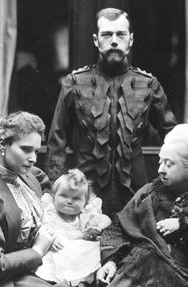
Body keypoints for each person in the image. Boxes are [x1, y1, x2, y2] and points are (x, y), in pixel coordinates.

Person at [46, 7, 177, 219]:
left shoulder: (149, 85)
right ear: (96, 40)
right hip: (84, 195)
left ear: (131, 39)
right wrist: (54, 189)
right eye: (107, 34)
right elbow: (56, 142)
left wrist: (174, 186)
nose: (114, 41)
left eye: (120, 34)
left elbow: (174, 139)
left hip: (136, 195)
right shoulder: (74, 83)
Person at [96, 124, 188, 287]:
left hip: (187, 275)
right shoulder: (149, 192)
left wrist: (187, 223)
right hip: (137, 271)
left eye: (169, 164)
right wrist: (111, 262)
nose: (160, 170)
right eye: (160, 162)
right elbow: (120, 228)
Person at [0, 111, 68, 287]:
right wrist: (38, 250)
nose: (33, 159)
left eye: (36, 150)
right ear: (3, 144)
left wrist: (45, 231)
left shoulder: (31, 177)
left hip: (33, 269)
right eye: (26, 150)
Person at [36, 169, 111, 286]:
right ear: (54, 196)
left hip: (78, 255)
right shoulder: (50, 211)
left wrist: (98, 227)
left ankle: (80, 281)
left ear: (85, 202)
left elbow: (106, 219)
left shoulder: (84, 215)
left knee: (91, 249)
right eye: (64, 196)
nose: (69, 201)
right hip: (57, 250)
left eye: (76, 198)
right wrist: (49, 238)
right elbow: (41, 227)